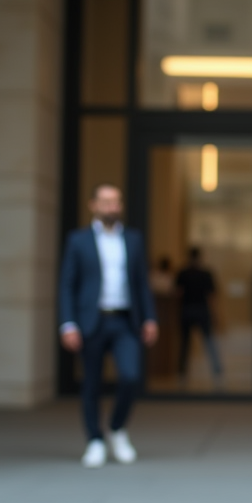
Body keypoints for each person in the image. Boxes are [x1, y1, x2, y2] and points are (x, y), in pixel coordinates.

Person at [58, 184, 158, 467]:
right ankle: (95, 441)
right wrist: (68, 323)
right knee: (91, 383)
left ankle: (116, 428)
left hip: (125, 320)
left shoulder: (133, 239)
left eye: (116, 201)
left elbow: (141, 283)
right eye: (105, 202)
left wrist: (150, 318)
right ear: (93, 205)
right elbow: (67, 285)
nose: (111, 207)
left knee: (130, 376)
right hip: (92, 321)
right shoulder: (78, 240)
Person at [176, 246, 223, 385]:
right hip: (202, 310)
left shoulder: (183, 273)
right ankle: (217, 369)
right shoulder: (205, 274)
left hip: (187, 309)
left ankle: (181, 371)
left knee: (185, 343)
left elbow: (178, 293)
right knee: (209, 341)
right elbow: (211, 297)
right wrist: (215, 315)